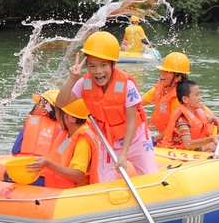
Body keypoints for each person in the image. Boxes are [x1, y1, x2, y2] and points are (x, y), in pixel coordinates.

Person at [56, 31, 157, 182]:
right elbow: (60, 103)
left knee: (152, 179)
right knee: (105, 184)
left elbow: (131, 122)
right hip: (108, 140)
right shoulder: (84, 83)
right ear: (87, 65)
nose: (98, 72)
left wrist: (123, 155)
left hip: (136, 139)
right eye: (92, 66)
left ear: (112, 64)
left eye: (103, 65)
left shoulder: (127, 85)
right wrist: (71, 79)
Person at [27, 99, 100, 188]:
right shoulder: (69, 134)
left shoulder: (82, 142)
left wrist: (49, 164)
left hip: (73, 193)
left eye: (58, 114)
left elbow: (77, 176)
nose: (56, 118)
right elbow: (60, 158)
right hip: (60, 186)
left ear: (66, 116)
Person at [159, 79, 219, 151]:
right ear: (185, 99)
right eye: (196, 95)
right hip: (177, 151)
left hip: (190, 149)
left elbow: (211, 120)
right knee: (212, 146)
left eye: (199, 94)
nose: (200, 98)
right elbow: (188, 144)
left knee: (214, 146)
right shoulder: (182, 120)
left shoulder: (196, 111)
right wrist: (210, 139)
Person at [141, 52, 190, 142]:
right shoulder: (159, 90)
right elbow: (137, 104)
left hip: (190, 138)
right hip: (169, 137)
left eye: (167, 71)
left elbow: (173, 129)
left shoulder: (180, 99)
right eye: (162, 70)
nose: (162, 73)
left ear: (178, 77)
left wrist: (152, 140)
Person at [11, 89, 64, 156]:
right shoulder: (61, 128)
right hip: (47, 164)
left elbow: (15, 150)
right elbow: (61, 152)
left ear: (44, 112)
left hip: (22, 161)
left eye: (39, 103)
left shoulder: (31, 122)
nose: (35, 105)